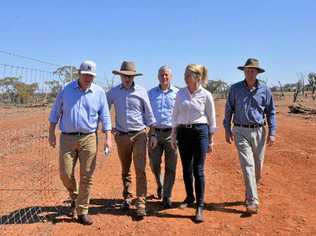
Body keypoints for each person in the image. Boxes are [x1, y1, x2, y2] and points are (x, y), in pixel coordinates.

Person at [48, 60, 112, 225]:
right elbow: (56, 111)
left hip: (89, 138)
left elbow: (105, 116)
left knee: (87, 175)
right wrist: (51, 133)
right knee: (65, 174)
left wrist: (108, 138)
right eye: (86, 75)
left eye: (91, 76)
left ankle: (82, 210)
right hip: (67, 137)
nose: (88, 78)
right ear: (79, 74)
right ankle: (75, 196)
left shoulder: (99, 93)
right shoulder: (66, 89)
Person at [223, 58, 276, 214]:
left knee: (257, 168)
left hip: (259, 131)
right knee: (248, 165)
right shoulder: (235, 89)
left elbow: (271, 111)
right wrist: (227, 129)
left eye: (253, 71)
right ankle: (253, 201)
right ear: (244, 72)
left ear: (257, 73)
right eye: (247, 70)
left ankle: (249, 194)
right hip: (240, 130)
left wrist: (272, 132)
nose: (250, 73)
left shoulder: (265, 90)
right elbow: (228, 110)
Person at [107, 61, 156, 218]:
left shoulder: (142, 92)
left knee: (140, 169)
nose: (127, 79)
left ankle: (141, 203)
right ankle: (127, 198)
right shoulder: (113, 92)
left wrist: (153, 133)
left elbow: (149, 114)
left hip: (139, 135)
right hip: (121, 136)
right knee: (125, 169)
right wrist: (109, 128)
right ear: (120, 76)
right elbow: (103, 110)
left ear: (134, 76)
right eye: (124, 76)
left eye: (130, 76)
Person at [171, 64, 216, 222]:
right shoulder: (180, 94)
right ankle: (189, 197)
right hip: (183, 132)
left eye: (188, 74)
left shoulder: (206, 95)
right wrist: (173, 134)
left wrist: (211, 139)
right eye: (185, 74)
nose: (185, 76)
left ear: (197, 77)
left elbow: (211, 118)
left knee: (198, 169)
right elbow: (175, 115)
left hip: (200, 132)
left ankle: (200, 205)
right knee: (186, 168)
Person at [148, 65, 179, 209]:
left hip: (172, 134)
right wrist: (152, 132)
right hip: (154, 133)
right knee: (154, 165)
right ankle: (160, 184)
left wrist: (176, 134)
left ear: (171, 76)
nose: (164, 77)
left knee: (171, 166)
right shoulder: (150, 94)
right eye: (161, 74)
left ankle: (167, 195)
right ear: (158, 76)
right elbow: (147, 115)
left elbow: (180, 115)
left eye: (166, 75)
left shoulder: (178, 94)